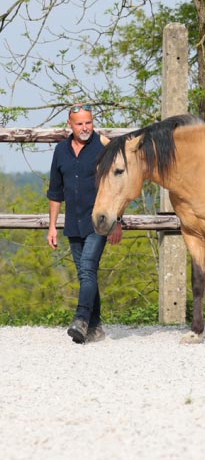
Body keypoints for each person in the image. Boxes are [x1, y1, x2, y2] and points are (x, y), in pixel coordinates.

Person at [47, 103, 122, 344]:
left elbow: (118, 186)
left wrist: (117, 221)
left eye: (88, 122)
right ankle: (96, 326)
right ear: (70, 124)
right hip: (73, 222)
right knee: (85, 274)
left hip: (99, 221)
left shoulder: (104, 147)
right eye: (79, 123)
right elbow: (55, 192)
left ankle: (80, 320)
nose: (85, 127)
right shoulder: (60, 150)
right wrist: (52, 226)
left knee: (88, 267)